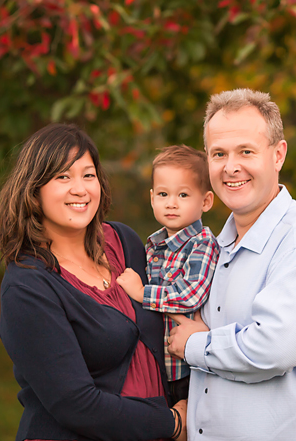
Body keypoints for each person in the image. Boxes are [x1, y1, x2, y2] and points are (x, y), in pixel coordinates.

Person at [168, 89, 296, 440]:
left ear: (278, 155)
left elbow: (273, 350)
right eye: (219, 154)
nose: (231, 166)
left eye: (246, 151)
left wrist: (194, 346)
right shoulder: (214, 248)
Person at [0, 124, 187, 441]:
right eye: (63, 177)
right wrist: (173, 423)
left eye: (88, 175)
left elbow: (162, 319)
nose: (80, 189)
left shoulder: (124, 242)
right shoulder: (28, 287)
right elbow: (76, 404)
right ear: (34, 190)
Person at [116, 145, 219, 406]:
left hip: (187, 369)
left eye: (183, 195)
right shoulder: (153, 246)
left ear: (206, 201)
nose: (171, 203)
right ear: (152, 198)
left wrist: (141, 293)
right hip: (156, 366)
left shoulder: (202, 243)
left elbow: (190, 294)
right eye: (163, 194)